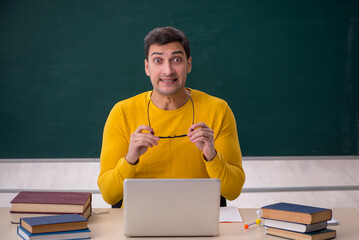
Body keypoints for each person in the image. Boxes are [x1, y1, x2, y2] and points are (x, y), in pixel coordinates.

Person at [98, 26, 245, 207]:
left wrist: (211, 155)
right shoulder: (122, 112)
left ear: (189, 65)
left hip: (199, 219)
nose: (168, 70)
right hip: (141, 219)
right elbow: (109, 195)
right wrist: (131, 158)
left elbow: (233, 191)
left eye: (176, 59)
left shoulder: (218, 110)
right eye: (158, 60)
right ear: (147, 67)